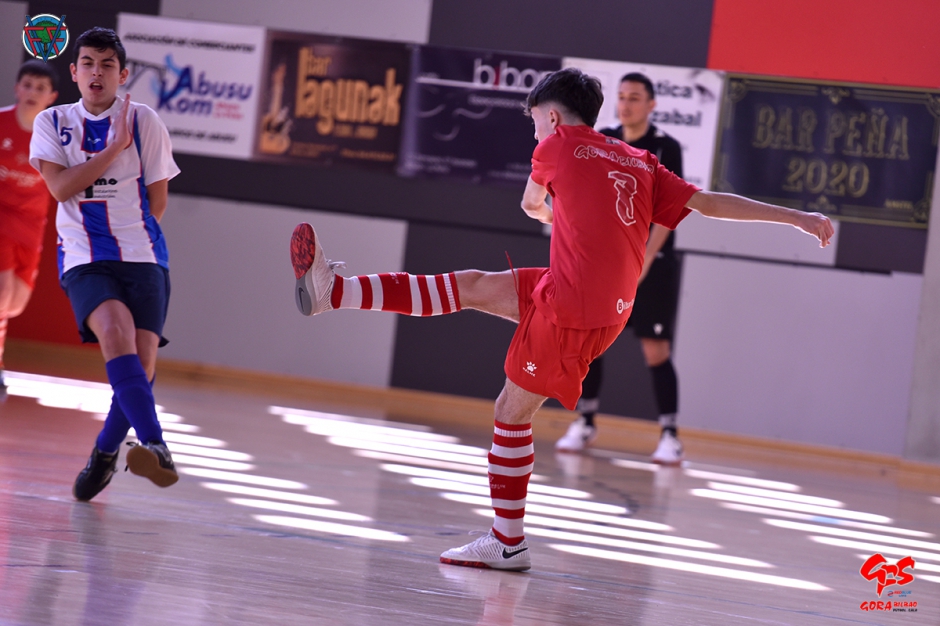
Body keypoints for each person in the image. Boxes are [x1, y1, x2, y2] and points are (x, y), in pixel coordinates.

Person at [289, 68, 833, 571]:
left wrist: (555, 209)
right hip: (582, 295)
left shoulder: (556, 146)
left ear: (551, 117)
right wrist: (798, 219)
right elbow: (710, 203)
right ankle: (335, 292)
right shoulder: (639, 160)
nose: (534, 133)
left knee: (510, 411)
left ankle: (507, 543)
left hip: (572, 310)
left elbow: (531, 205)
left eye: (533, 122)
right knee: (474, 285)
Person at [29, 27, 181, 501]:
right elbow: (60, 189)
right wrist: (114, 149)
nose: (97, 72)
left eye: (107, 65)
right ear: (74, 72)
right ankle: (156, 445)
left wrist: (132, 239)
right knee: (115, 334)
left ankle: (105, 451)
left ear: (123, 74)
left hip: (143, 254)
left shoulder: (146, 121)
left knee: (143, 361)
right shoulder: (52, 122)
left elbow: (157, 200)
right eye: (88, 64)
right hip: (84, 256)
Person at [556, 72, 685, 464]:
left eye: (635, 98)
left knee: (655, 350)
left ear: (651, 105)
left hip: (651, 265)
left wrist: (643, 259)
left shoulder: (664, 147)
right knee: (592, 342)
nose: (626, 104)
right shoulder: (604, 140)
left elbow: (670, 211)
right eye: (622, 96)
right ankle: (585, 421)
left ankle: (670, 435)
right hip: (607, 265)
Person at [0, 61, 59, 396]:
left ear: (51, 97)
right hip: (1, 217)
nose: (32, 92)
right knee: (1, 296)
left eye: (40, 88)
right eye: (27, 85)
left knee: (14, 304)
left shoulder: (56, 136)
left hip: (31, 225)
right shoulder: (1, 123)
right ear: (17, 89)